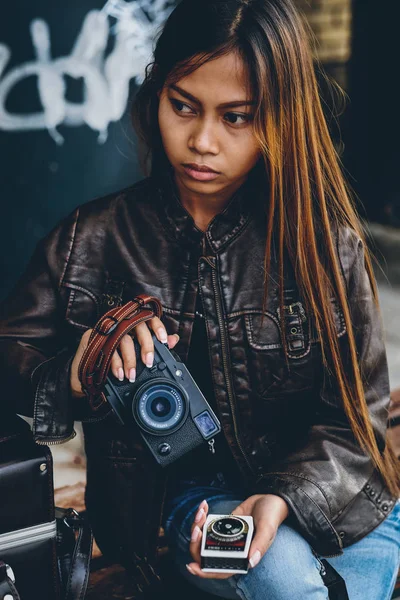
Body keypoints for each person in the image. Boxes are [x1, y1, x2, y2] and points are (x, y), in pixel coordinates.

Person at [1, 0, 399, 598]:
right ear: (155, 94)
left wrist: (282, 499)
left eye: (237, 117)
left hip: (340, 500)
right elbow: (11, 358)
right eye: (183, 105)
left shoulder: (324, 244)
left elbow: (356, 423)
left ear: (281, 117)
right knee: (293, 589)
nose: (202, 141)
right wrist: (77, 373)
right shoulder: (92, 239)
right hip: (191, 507)